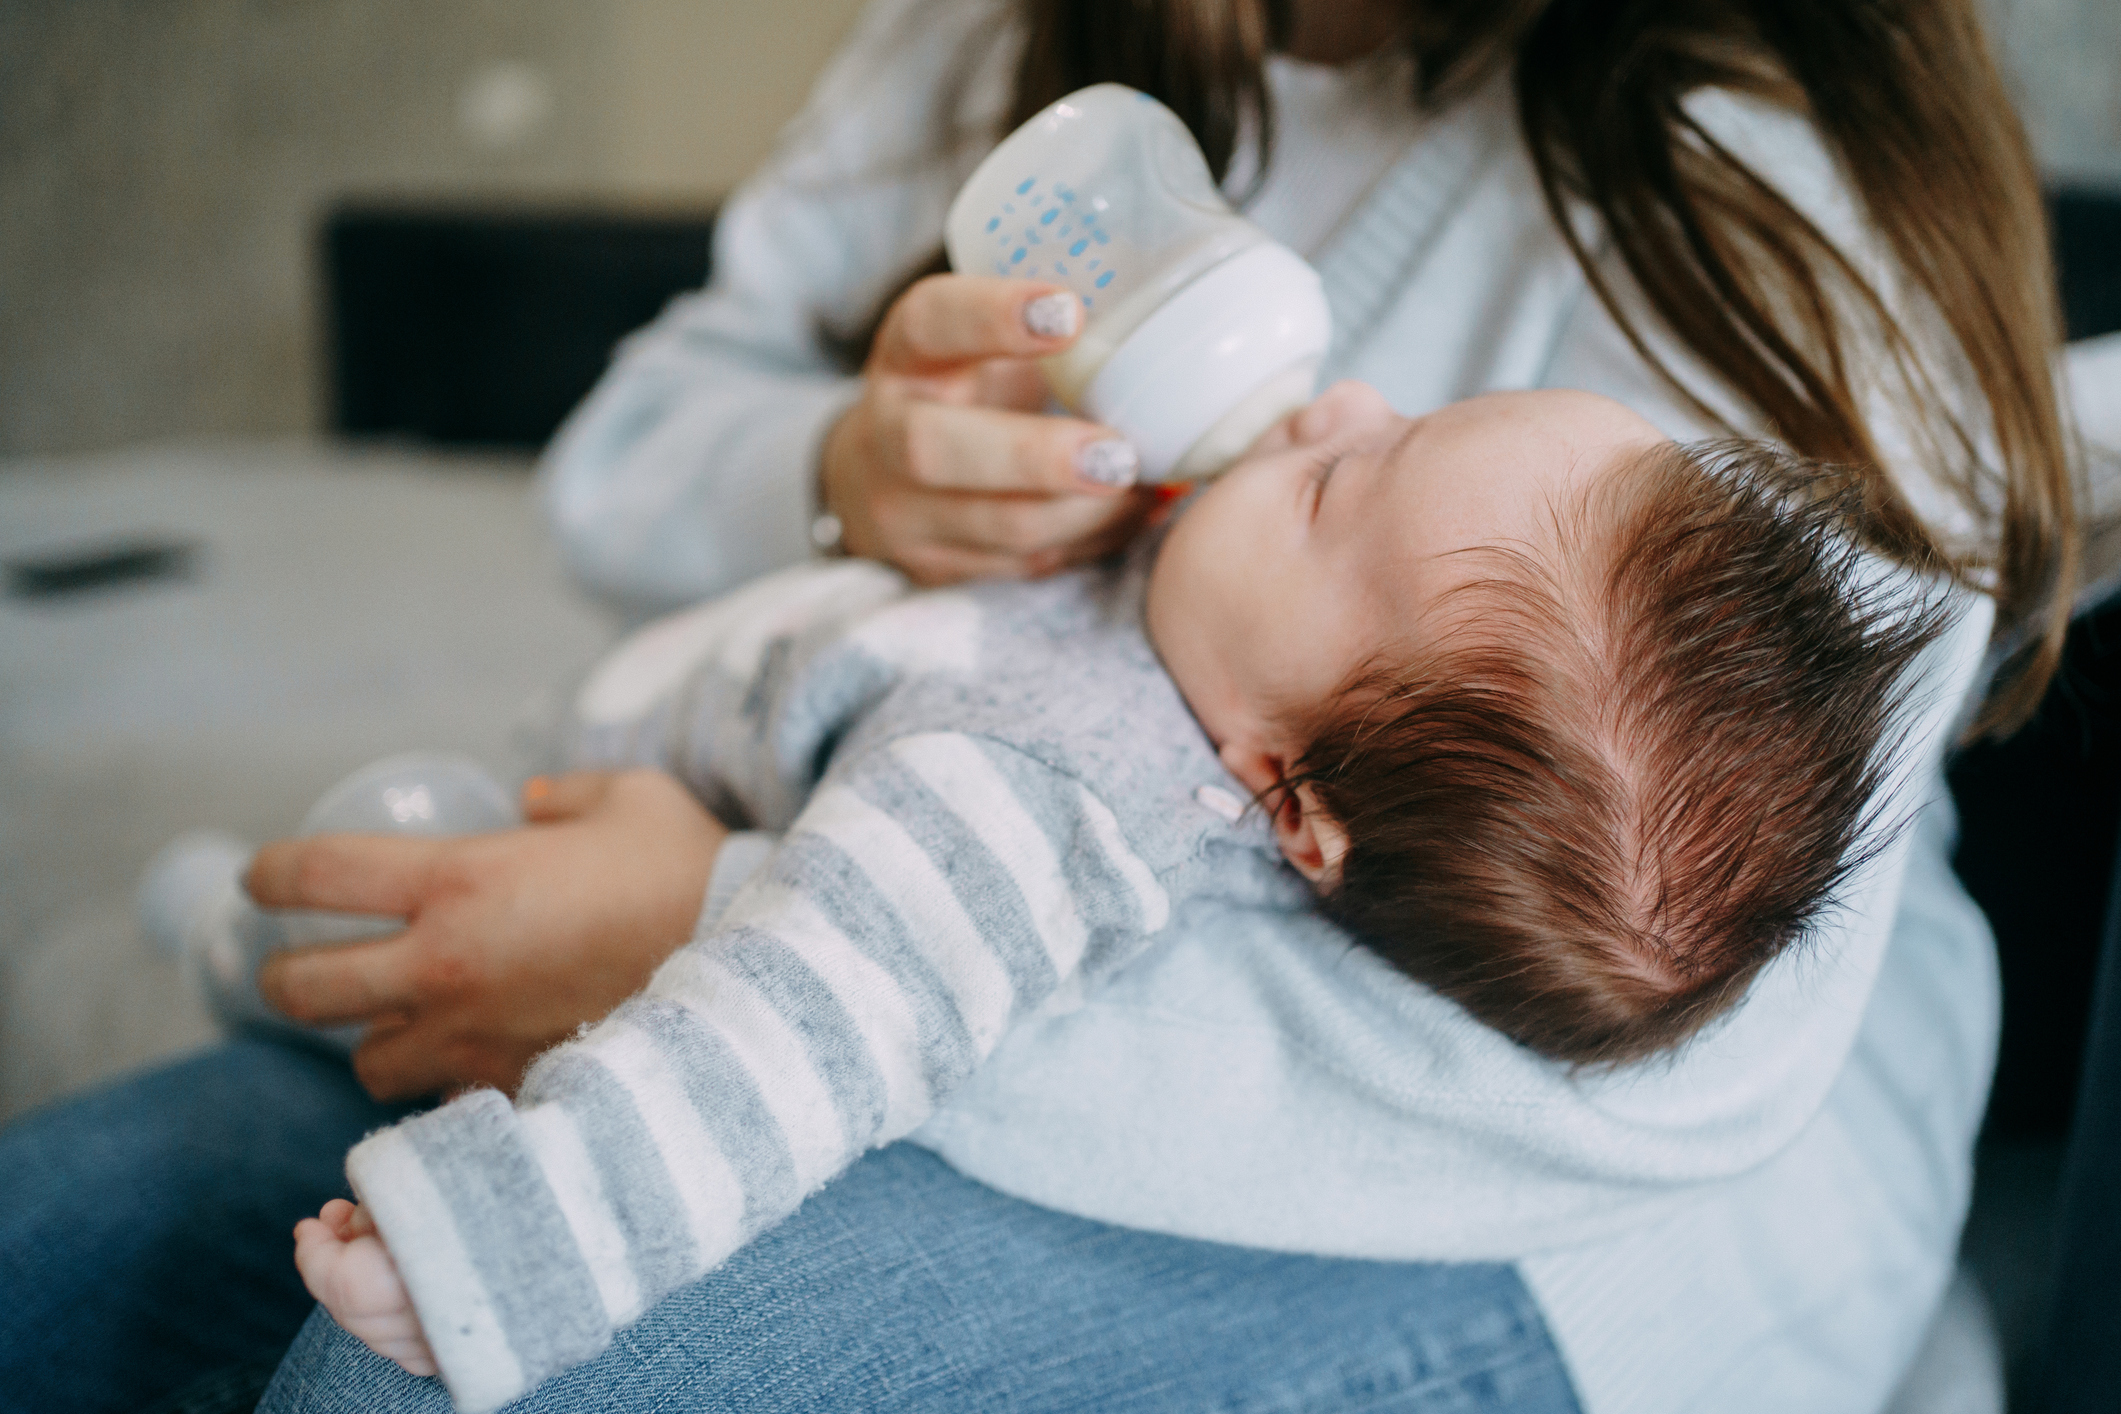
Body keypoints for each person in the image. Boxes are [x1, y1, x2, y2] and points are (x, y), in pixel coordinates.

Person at [0, 2, 2077, 1412]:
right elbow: (627, 449)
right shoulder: (1025, 50)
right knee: (53, 1260)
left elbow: (1666, 1024)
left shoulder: (1755, 200)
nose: (1334, 407)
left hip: (1538, 1182)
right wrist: (856, 459)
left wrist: (725, 923)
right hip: (883, 925)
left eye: (1364, 465)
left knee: (427, 1355)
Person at [284, 385, 1941, 1409]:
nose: (1333, 402)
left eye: (1330, 488)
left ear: (1284, 795)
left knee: (373, 1377)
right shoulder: (1211, 623)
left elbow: (769, 1062)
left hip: (561, 883)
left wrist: (484, 1260)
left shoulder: (1040, 791)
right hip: (576, 794)